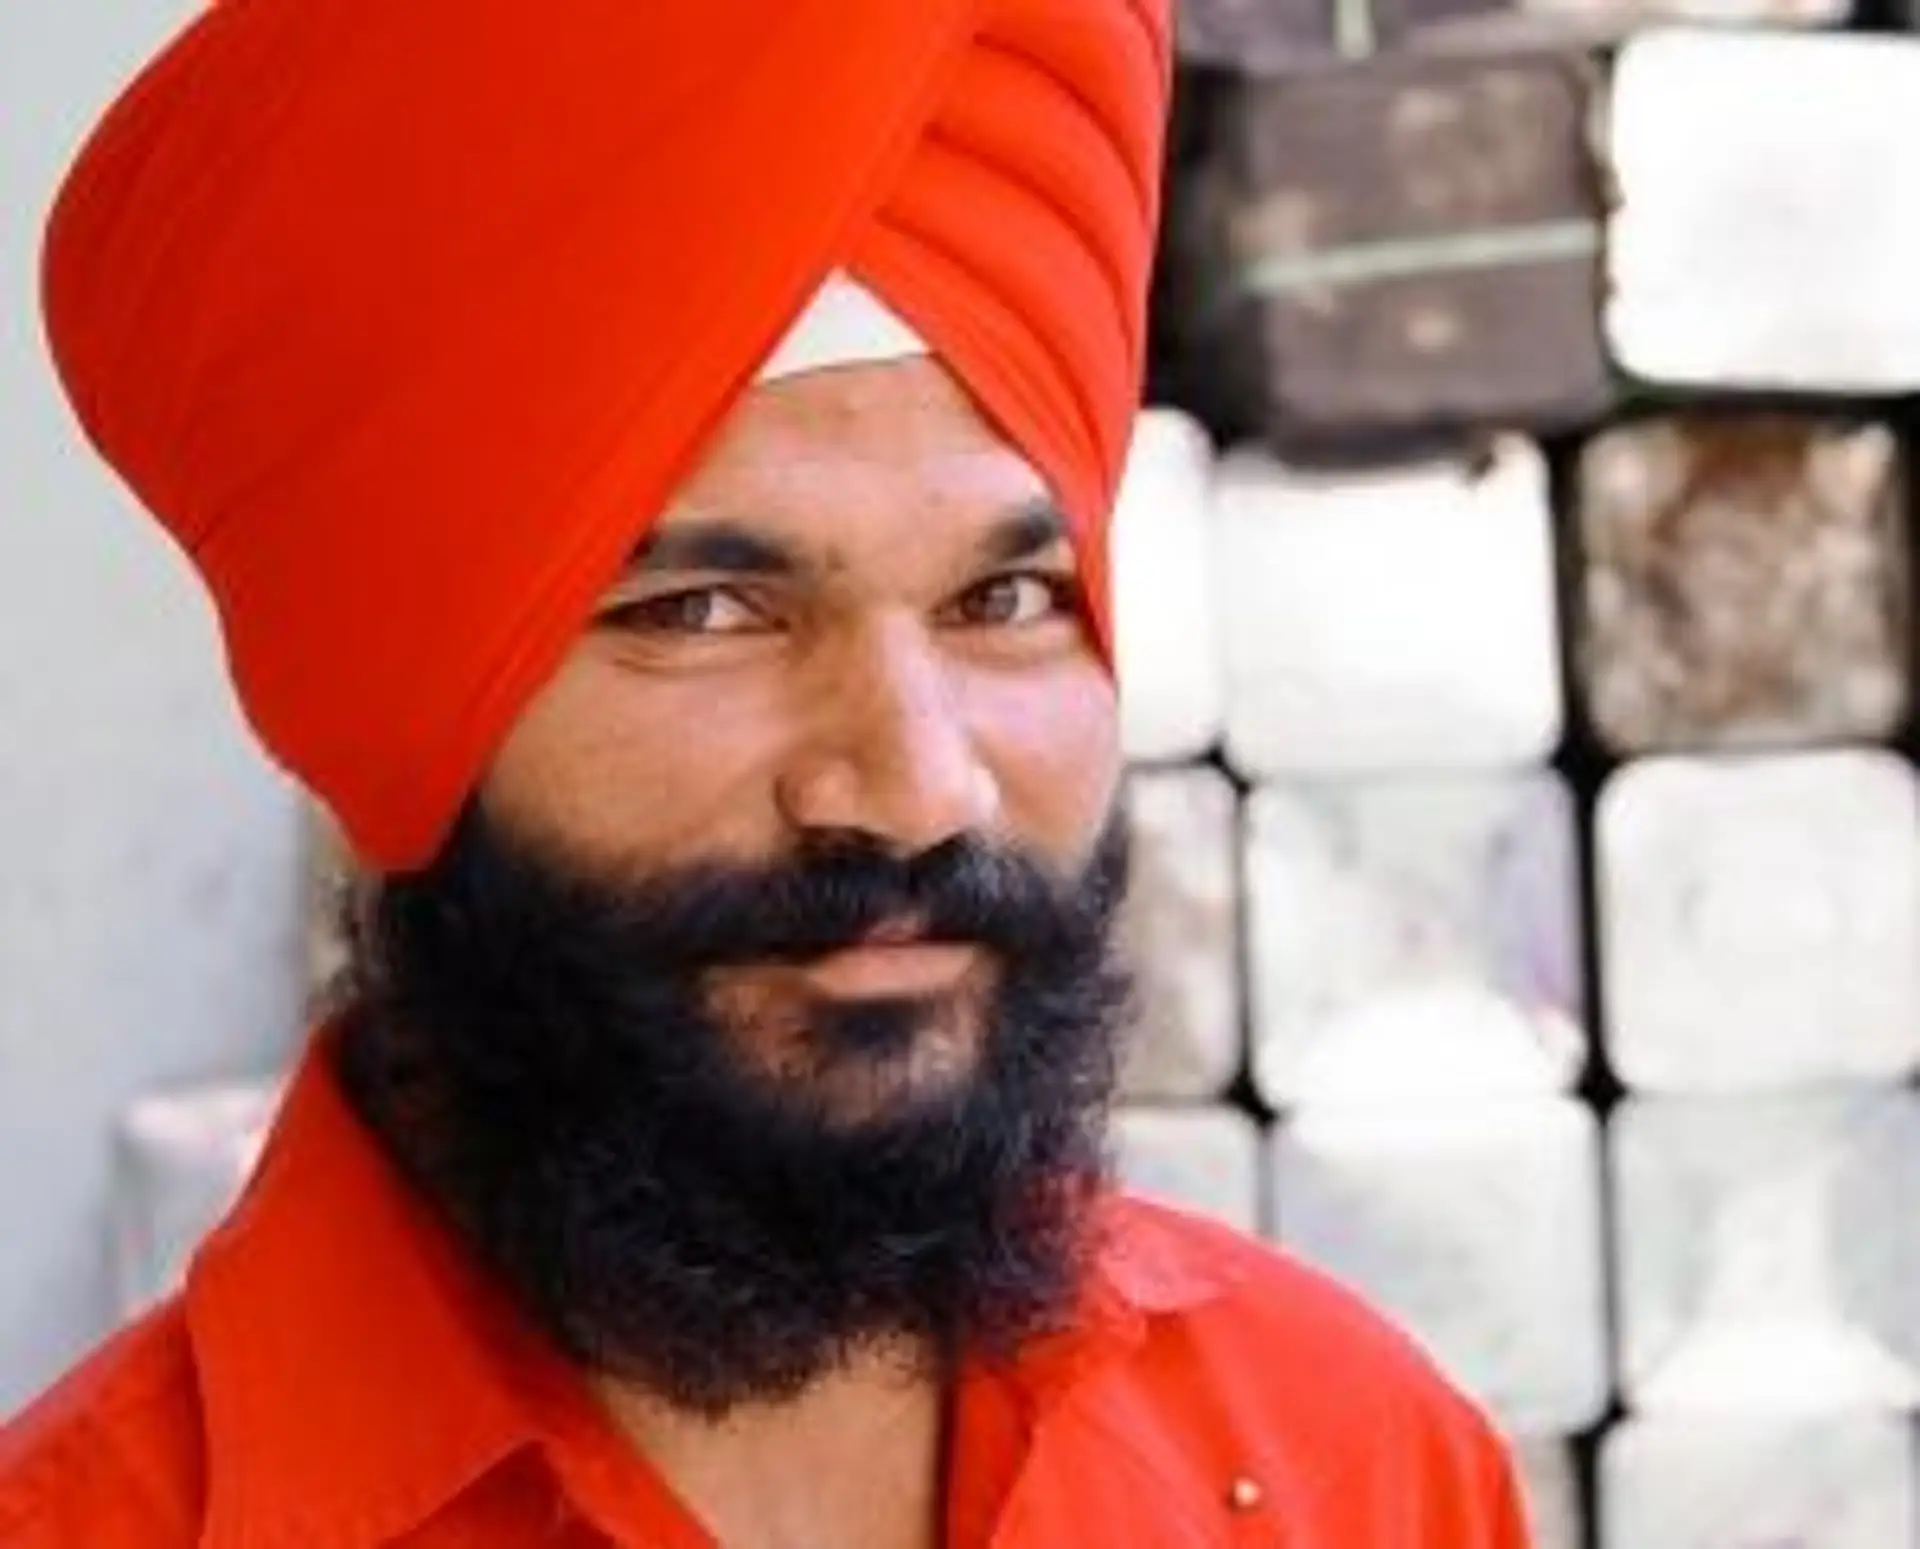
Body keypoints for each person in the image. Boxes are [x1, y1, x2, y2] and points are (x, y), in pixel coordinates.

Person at [0, 3, 1533, 1546]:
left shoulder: (1354, 1461)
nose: (918, 788)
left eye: (1001, 602)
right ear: (395, 723)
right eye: (704, 614)